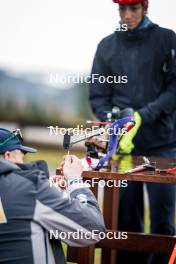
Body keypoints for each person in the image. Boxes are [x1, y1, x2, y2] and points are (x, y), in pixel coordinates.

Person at [89, 0, 176, 263]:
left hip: (163, 145)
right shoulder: (107, 46)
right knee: (125, 220)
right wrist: (115, 123)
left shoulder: (167, 40)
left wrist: (142, 116)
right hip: (123, 150)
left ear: (145, 7)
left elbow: (174, 89)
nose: (127, 15)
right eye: (122, 9)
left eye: (133, 8)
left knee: (163, 221)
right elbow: (98, 96)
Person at [0, 128, 105, 264]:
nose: (23, 163)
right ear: (7, 156)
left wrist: (49, 191)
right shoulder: (30, 187)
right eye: (21, 156)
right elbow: (92, 229)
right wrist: (74, 179)